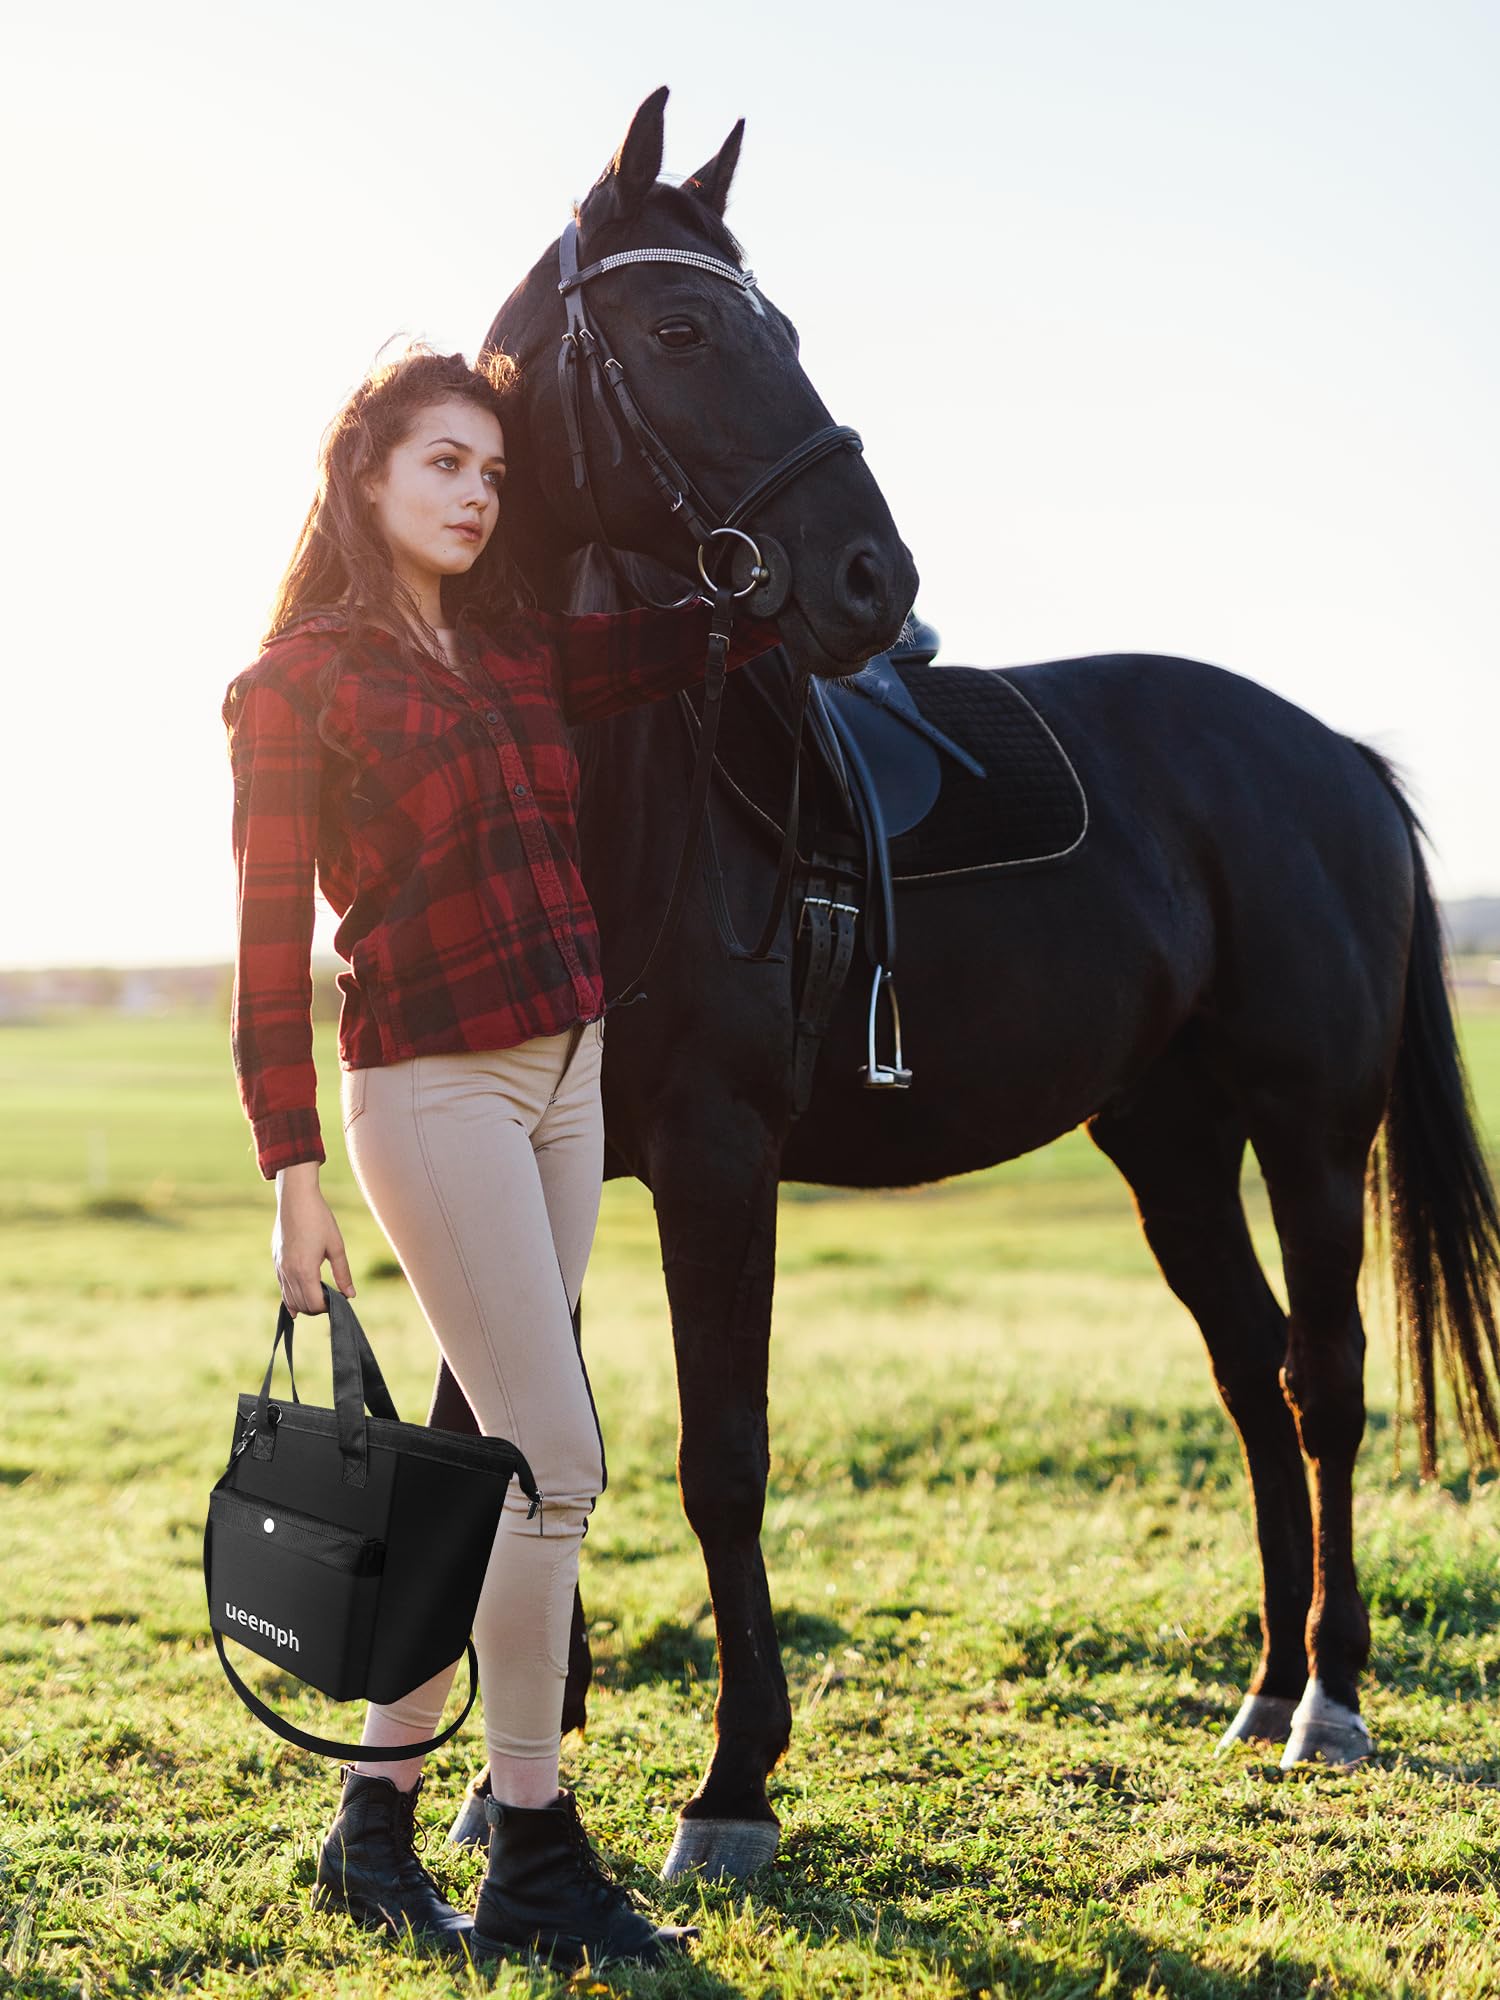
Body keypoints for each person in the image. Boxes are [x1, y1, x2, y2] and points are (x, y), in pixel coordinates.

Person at [221, 345, 778, 1967]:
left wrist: (770, 565)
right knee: (559, 1462)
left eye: (491, 473)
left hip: (569, 1075)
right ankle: (534, 1848)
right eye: (445, 465)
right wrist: (291, 1168)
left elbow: (679, 641)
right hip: (434, 1088)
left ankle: (373, 1823)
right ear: (365, 476)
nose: (475, 495)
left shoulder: (518, 652)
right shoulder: (294, 683)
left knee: (491, 1476)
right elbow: (269, 955)